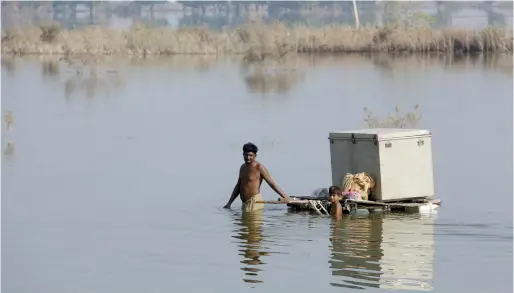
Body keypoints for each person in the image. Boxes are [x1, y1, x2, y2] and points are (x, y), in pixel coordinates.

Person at [223, 142, 289, 211]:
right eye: (246, 155)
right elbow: (238, 186)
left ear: (255, 155)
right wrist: (229, 203)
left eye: (250, 155)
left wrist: (285, 197)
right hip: (245, 204)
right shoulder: (242, 168)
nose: (248, 157)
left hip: (255, 203)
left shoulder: (259, 167)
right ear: (243, 154)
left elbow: (272, 184)